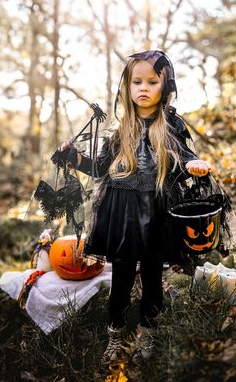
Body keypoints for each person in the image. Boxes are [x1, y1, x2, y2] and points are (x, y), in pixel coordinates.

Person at [59, 50, 213, 365]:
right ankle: (115, 334)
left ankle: (149, 332)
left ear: (165, 86)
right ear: (127, 87)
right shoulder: (122, 129)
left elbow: (183, 156)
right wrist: (73, 158)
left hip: (156, 210)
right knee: (123, 276)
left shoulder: (170, 125)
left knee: (153, 276)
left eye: (151, 81)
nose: (143, 88)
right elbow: (100, 169)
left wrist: (194, 163)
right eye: (136, 81)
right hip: (121, 211)